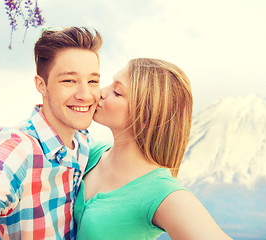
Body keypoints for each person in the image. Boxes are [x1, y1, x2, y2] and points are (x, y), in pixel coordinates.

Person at [0, 27, 102, 239]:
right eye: (69, 80)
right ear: (41, 85)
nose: (85, 94)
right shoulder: (17, 147)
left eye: (93, 81)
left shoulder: (84, 143)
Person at [74, 58, 233, 239]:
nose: (100, 93)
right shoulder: (91, 153)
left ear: (146, 113)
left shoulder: (160, 192)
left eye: (117, 92)